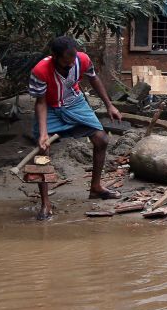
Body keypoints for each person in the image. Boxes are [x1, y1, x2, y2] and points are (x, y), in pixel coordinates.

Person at [29, 36, 123, 219]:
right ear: (54, 56)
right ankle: (45, 202)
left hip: (75, 103)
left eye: (72, 62)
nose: (70, 66)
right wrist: (43, 134)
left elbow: (94, 79)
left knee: (101, 139)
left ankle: (95, 187)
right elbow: (40, 103)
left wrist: (109, 105)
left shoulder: (82, 60)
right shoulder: (40, 71)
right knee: (42, 154)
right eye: (65, 63)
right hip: (50, 109)